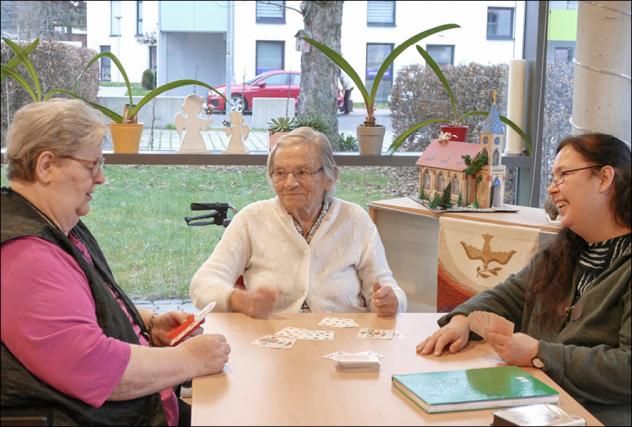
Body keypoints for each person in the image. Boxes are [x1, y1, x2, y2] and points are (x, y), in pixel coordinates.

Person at [1, 99, 231, 426]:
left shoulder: (52, 226)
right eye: (91, 165)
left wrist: (147, 323)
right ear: (46, 166)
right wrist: (189, 360)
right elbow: (93, 368)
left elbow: (77, 310)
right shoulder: (24, 255)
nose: (101, 178)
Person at [416, 133, 630, 425]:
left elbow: (626, 368)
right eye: (553, 178)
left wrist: (539, 353)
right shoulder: (562, 253)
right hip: (534, 406)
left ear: (605, 178)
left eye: (563, 175)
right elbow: (508, 295)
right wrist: (463, 321)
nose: (553, 190)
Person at [190, 127, 407, 318]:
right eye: (280, 173)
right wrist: (239, 300)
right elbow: (202, 284)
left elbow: (386, 287)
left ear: (329, 177)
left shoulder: (354, 219)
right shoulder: (251, 219)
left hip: (344, 342)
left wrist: (392, 302)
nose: (290, 183)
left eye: (302, 172)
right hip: (271, 344)